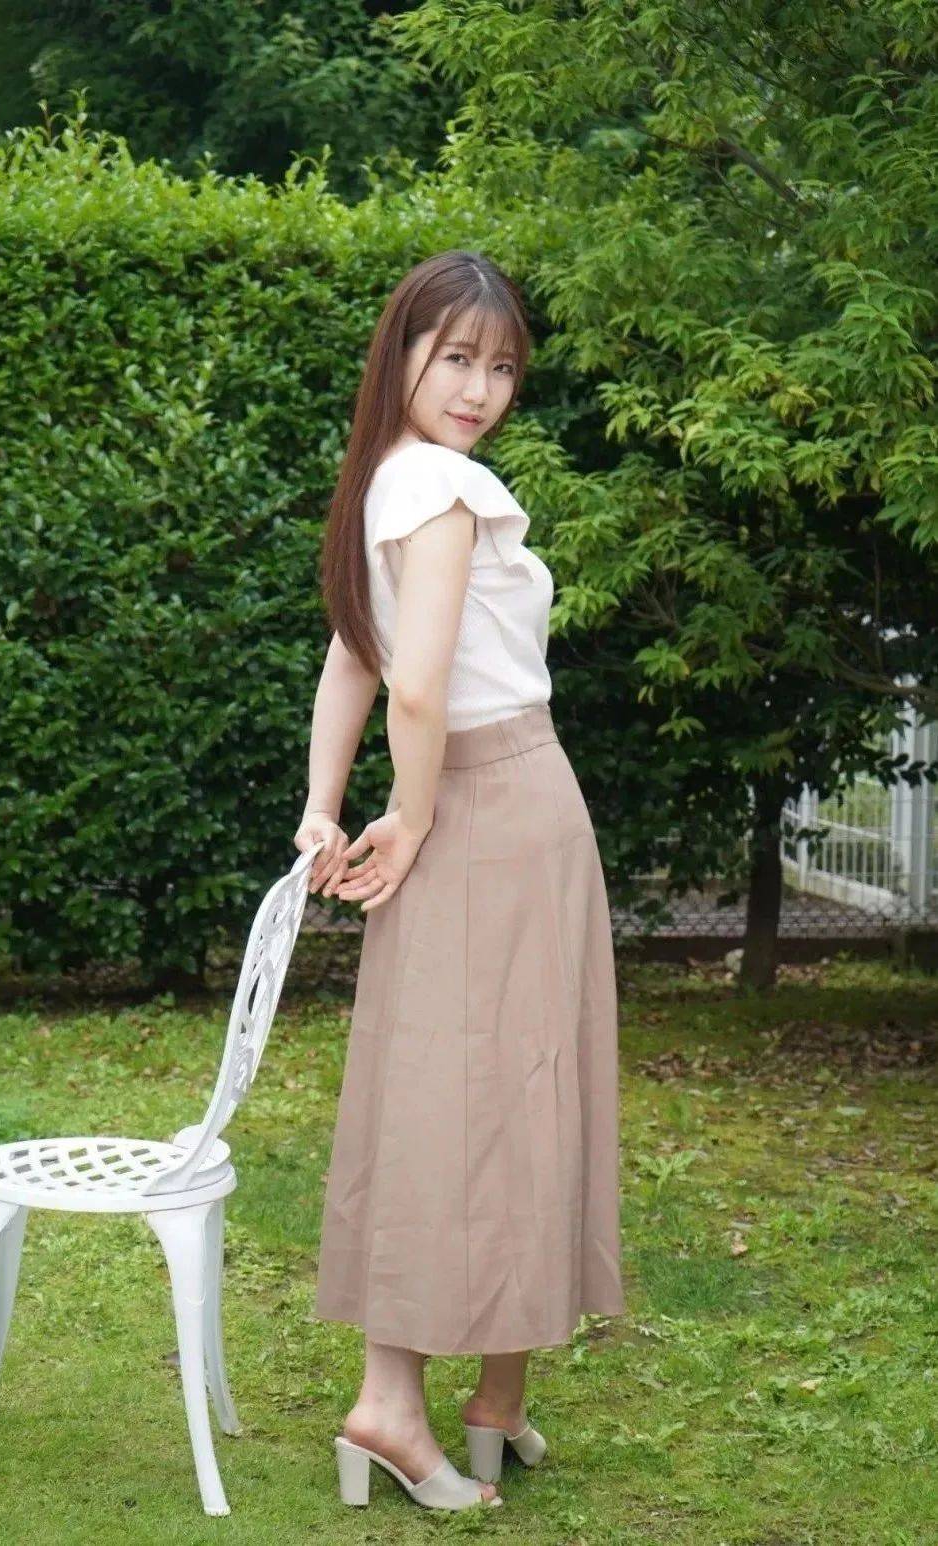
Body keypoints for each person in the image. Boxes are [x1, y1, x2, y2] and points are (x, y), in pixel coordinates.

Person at [292, 249, 624, 1512]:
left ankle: (498, 1394)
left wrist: (324, 807)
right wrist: (410, 815)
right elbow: (411, 683)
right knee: (470, 1098)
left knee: (494, 1090)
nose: (480, 389)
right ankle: (392, 1403)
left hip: (501, 811)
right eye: (457, 359)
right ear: (403, 354)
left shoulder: (391, 478)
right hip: (492, 802)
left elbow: (352, 658)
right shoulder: (437, 484)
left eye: (501, 367)